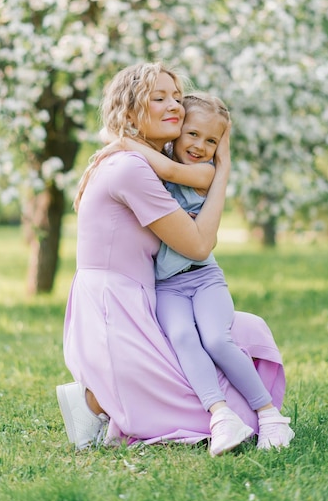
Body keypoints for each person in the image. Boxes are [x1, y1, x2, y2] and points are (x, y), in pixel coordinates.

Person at [56, 62, 294, 456]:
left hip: (145, 294)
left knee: (242, 333)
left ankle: (101, 397)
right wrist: (224, 170)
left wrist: (219, 165)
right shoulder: (131, 168)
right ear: (130, 112)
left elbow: (194, 178)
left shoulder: (145, 160)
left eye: (178, 98)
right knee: (216, 415)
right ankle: (95, 400)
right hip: (118, 307)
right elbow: (200, 246)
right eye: (160, 98)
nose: (175, 107)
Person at [123, 92, 294, 452]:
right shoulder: (151, 165)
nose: (201, 146)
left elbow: (168, 170)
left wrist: (118, 140)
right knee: (183, 337)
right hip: (167, 286)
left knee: (216, 338)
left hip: (204, 279)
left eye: (212, 140)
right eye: (194, 134)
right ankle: (221, 416)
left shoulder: (203, 172)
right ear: (177, 130)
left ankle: (270, 416)